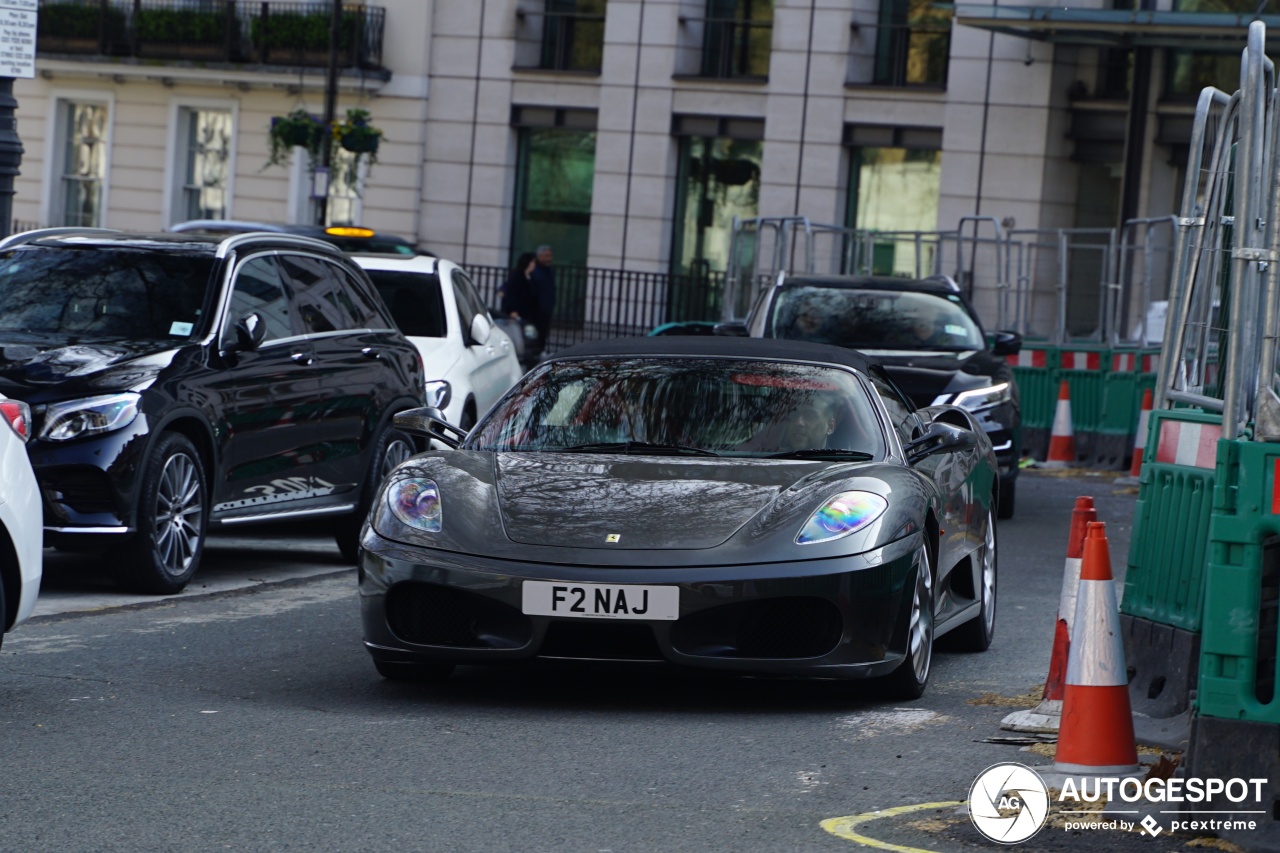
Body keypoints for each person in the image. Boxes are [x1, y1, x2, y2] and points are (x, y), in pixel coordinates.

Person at [528, 244, 556, 353]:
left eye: (550, 256)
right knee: (536, 333)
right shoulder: (535, 271)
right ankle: (535, 352)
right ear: (539, 256)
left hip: (546, 307)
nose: (549, 258)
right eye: (547, 256)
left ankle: (540, 350)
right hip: (537, 308)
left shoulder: (549, 270)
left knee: (543, 332)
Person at [499, 252, 536, 321]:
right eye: (532, 262)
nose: (534, 264)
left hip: (526, 311)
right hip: (516, 312)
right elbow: (512, 294)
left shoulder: (530, 276)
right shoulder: (516, 276)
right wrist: (513, 310)